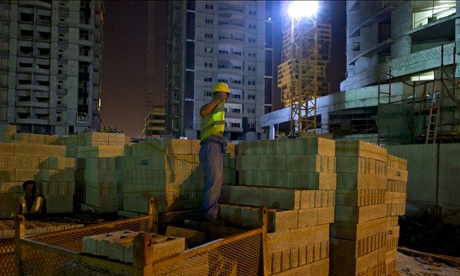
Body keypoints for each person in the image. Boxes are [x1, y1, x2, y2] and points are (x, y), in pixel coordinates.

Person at [199, 82, 230, 222]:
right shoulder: (213, 105)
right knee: (214, 179)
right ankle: (209, 216)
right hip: (210, 144)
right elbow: (203, 111)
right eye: (226, 94)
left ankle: (211, 213)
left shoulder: (220, 108)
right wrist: (218, 99)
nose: (227, 97)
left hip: (216, 144)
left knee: (216, 180)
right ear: (220, 93)